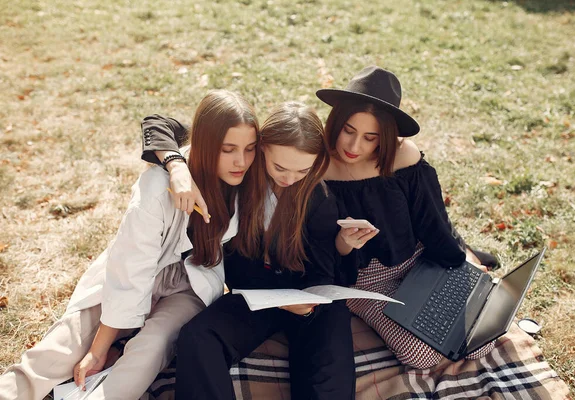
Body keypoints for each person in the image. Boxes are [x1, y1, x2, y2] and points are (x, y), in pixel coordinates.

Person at [0, 89, 259, 400]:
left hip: (192, 286)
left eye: (250, 149)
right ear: (205, 144)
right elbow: (132, 267)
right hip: (134, 272)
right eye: (228, 149)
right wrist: (99, 347)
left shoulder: (251, 182)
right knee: (63, 345)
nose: (241, 161)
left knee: (154, 346)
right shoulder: (157, 187)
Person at [140, 102, 356, 399]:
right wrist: (176, 164)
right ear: (262, 148)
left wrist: (309, 295)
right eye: (280, 167)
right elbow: (157, 122)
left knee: (330, 354)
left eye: (302, 170)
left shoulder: (317, 196)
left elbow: (324, 269)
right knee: (199, 337)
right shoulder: (239, 174)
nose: (290, 178)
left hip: (309, 300)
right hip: (254, 296)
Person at [317, 65, 498, 369]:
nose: (354, 146)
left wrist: (460, 259)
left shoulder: (403, 157)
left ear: (384, 137)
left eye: (370, 137)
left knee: (484, 337)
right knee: (420, 354)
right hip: (363, 281)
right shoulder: (317, 166)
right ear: (336, 122)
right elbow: (318, 248)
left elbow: (432, 220)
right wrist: (343, 242)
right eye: (348, 130)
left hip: (418, 260)